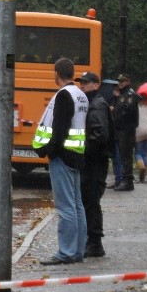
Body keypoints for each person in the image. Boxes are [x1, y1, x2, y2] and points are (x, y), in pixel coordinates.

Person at [33, 58, 88, 265]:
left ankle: (65, 252)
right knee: (77, 206)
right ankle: (78, 251)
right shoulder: (81, 95)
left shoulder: (64, 95)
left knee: (65, 207)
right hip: (77, 155)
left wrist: (49, 151)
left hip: (63, 156)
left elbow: (60, 128)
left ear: (56, 74)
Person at [75, 71, 113, 258]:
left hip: (94, 162)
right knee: (89, 200)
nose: (83, 86)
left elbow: (100, 135)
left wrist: (83, 149)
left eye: (86, 83)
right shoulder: (93, 103)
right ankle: (91, 241)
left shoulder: (97, 105)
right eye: (82, 83)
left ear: (96, 85)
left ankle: (95, 243)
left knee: (91, 201)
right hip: (94, 161)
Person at [112, 74, 139, 191]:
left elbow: (127, 110)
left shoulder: (129, 94)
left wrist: (116, 113)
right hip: (121, 129)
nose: (120, 83)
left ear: (128, 81)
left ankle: (128, 181)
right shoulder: (122, 94)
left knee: (126, 156)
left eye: (122, 81)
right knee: (123, 156)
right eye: (119, 81)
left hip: (126, 129)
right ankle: (124, 180)